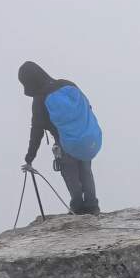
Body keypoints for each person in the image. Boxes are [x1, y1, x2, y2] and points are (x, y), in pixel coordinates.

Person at [18, 61, 102, 215]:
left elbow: (36, 131)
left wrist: (29, 157)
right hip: (85, 138)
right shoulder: (67, 84)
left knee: (70, 175)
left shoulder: (40, 99)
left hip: (64, 143)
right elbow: (87, 108)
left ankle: (78, 208)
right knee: (86, 171)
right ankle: (92, 207)